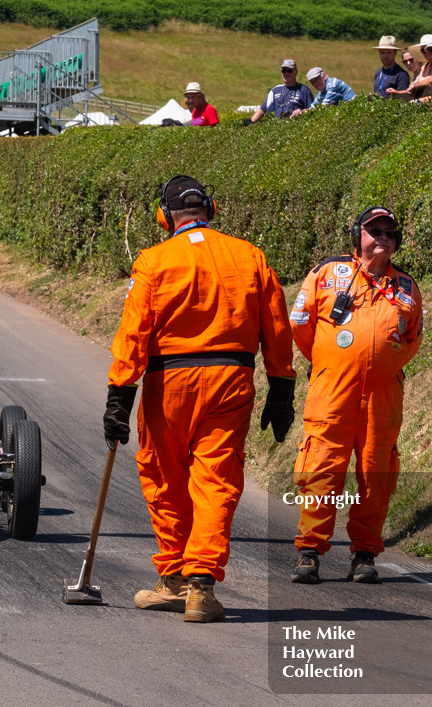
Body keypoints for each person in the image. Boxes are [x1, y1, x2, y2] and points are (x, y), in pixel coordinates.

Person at [104, 175, 296, 623]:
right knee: (215, 481)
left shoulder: (153, 261)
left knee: (165, 478)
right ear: (210, 208)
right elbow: (278, 327)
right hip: (232, 379)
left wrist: (119, 397)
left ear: (164, 216)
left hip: (168, 382)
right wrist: (282, 389)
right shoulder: (250, 255)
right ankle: (199, 589)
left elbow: (133, 334)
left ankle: (173, 577)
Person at [288, 207, 422, 585]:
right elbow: (301, 325)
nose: (382, 237)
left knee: (376, 475)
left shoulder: (408, 288)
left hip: (382, 400)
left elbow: (411, 340)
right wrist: (330, 363)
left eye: (389, 232)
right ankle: (309, 553)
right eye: (374, 230)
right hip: (332, 393)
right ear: (356, 235)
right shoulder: (326, 274)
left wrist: (382, 365)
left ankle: (364, 553)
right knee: (322, 470)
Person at [246, 60, 315, 124]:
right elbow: (263, 109)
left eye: (289, 71)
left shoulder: (304, 90)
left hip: (297, 127)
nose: (286, 73)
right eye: (283, 71)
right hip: (278, 127)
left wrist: (300, 112)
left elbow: (312, 110)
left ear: (296, 72)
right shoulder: (275, 90)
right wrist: (251, 122)